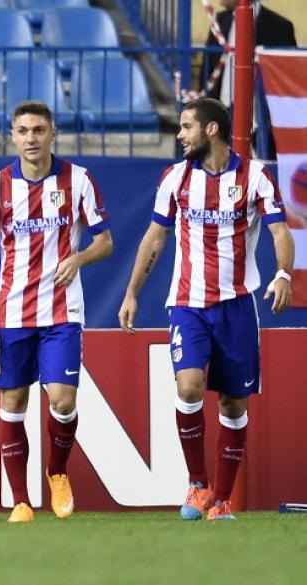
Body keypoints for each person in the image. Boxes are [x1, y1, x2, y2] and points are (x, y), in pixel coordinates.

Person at [118, 97, 294, 521]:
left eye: (186, 127)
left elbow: (280, 232)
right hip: (187, 304)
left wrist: (284, 273)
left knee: (233, 405)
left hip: (236, 305)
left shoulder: (255, 178)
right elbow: (154, 239)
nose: (180, 135)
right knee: (189, 387)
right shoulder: (175, 178)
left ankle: (223, 502)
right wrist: (131, 293)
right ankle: (198, 484)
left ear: (211, 130)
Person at [0, 100, 113, 523]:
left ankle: (57, 471)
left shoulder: (80, 180)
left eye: (38, 130)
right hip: (12, 313)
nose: (31, 138)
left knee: (63, 400)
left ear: (52, 134)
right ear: (12, 136)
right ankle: (19, 499)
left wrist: (79, 258)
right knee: (12, 401)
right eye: (23, 131)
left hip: (62, 312)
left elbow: (105, 241)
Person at [201, 0, 296, 105]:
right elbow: (207, 66)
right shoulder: (219, 21)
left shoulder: (280, 27)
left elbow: (286, 78)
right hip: (220, 109)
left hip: (259, 113)